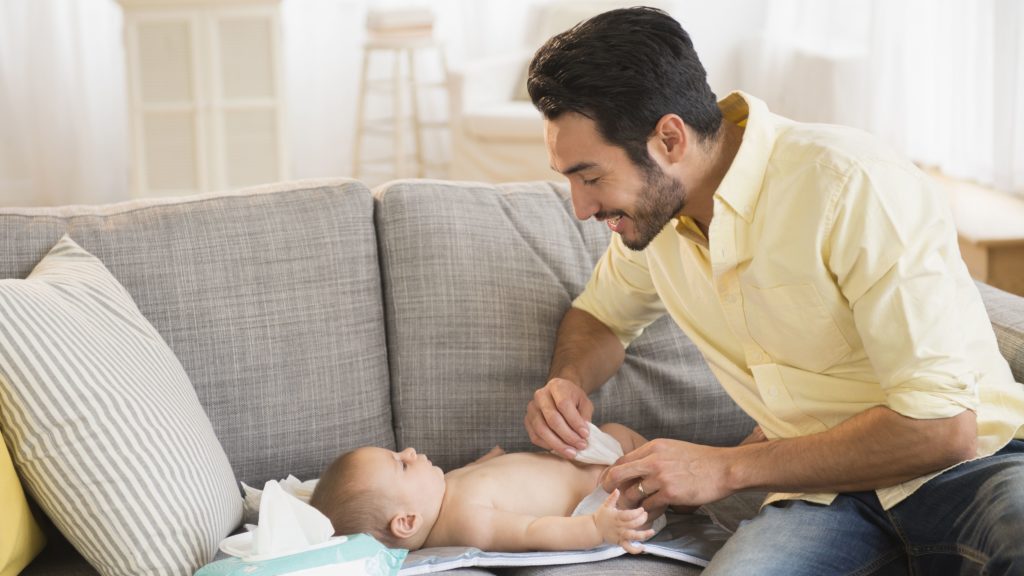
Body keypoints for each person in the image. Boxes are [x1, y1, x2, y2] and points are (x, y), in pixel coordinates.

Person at [523, 6, 1024, 575]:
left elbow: (944, 429)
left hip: (975, 466)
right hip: (821, 493)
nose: (582, 207)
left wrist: (726, 468)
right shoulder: (657, 222)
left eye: (590, 177)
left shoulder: (850, 184)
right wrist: (567, 382)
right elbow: (601, 317)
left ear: (669, 138)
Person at [308, 423, 658, 553]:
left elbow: (472, 479)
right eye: (401, 463)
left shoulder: (439, 492)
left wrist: (485, 464)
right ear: (407, 522)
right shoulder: (466, 523)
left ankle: (687, 496)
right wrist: (597, 526)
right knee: (648, 480)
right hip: (601, 495)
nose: (410, 452)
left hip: (587, 459)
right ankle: (685, 503)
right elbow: (532, 531)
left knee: (619, 432)